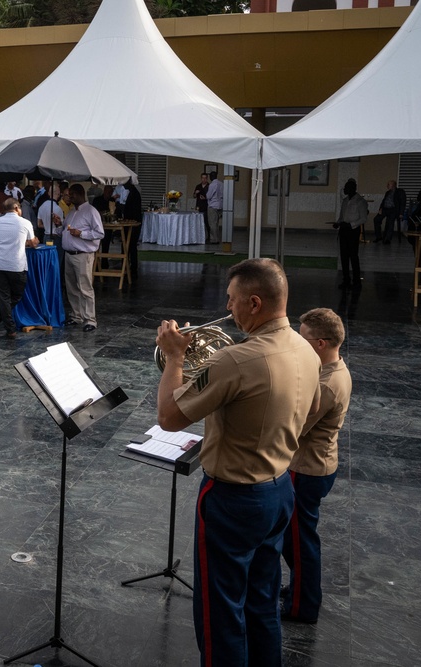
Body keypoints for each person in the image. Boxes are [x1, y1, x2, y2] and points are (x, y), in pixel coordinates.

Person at [155, 258, 321, 667]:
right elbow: (311, 410)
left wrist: (174, 358)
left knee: (220, 612)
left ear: (253, 302)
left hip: (232, 498)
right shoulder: (306, 348)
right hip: (280, 489)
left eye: (231, 300)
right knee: (262, 603)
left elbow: (169, 418)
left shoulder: (237, 359)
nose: (227, 308)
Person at [282, 307, 352, 625]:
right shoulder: (331, 369)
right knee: (294, 537)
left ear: (321, 343)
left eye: (303, 336)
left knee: (299, 541)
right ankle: (301, 589)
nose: (297, 340)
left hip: (307, 468)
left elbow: (296, 426)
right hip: (314, 464)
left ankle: (302, 605)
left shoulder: (328, 383)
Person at [0, 197, 39, 338]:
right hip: (16, 265)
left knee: (4, 297)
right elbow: (33, 243)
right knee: (16, 296)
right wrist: (34, 241)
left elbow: (0, 239)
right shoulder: (25, 222)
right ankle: (10, 329)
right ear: (16, 208)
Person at [62, 184, 104, 333]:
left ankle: (90, 320)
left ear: (80, 194)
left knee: (85, 288)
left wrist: (81, 234)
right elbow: (65, 230)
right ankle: (76, 315)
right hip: (69, 254)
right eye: (68, 195)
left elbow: (99, 233)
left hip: (82, 255)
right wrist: (57, 225)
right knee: (72, 287)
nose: (69, 197)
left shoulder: (91, 211)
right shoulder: (72, 211)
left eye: (72, 194)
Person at [335, 178, 368, 290]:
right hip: (344, 230)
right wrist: (338, 223)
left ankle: (356, 281)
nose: (345, 189)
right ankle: (346, 280)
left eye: (347, 187)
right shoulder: (345, 201)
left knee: (353, 256)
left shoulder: (360, 201)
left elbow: (363, 218)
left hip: (353, 231)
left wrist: (351, 224)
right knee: (344, 256)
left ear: (353, 188)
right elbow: (341, 216)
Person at [373, 179, 406, 244]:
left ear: (393, 185)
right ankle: (378, 236)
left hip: (393, 210)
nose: (387, 185)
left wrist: (401, 213)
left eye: (389, 184)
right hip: (385, 209)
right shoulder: (387, 192)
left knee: (390, 222)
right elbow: (383, 201)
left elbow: (403, 202)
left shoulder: (400, 192)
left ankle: (388, 239)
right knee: (376, 219)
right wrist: (380, 208)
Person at [122, 181, 143, 281]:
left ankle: (132, 265)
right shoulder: (132, 193)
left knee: (131, 244)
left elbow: (133, 210)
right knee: (130, 245)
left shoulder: (134, 194)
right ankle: (128, 263)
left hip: (134, 223)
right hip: (133, 221)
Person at [206, 170, 222, 244]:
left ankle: (214, 239)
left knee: (212, 223)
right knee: (216, 223)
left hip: (213, 205)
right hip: (220, 205)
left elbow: (208, 196)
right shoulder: (221, 184)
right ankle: (217, 238)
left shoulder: (212, 185)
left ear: (210, 177)